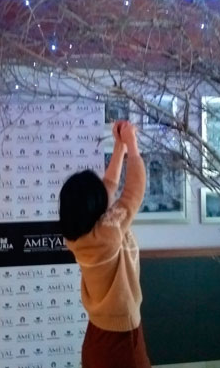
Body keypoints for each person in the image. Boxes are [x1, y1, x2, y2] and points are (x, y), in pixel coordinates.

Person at [59, 120, 150, 368]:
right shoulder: (106, 235)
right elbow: (133, 193)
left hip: (98, 334)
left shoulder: (83, 234)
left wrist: (119, 146)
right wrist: (132, 144)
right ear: (93, 206)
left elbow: (109, 186)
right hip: (119, 340)